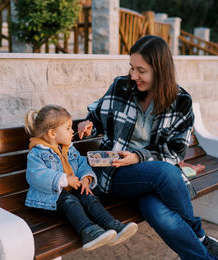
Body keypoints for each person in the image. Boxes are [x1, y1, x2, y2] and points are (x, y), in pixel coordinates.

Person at [78, 35, 218, 260]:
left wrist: (139, 156)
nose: (134, 75)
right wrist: (87, 125)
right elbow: (96, 117)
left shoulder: (181, 102)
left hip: (153, 178)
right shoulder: (122, 86)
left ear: (160, 70)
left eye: (141, 70)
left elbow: (176, 152)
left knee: (158, 212)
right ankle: (199, 234)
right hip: (115, 174)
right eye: (132, 68)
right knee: (165, 173)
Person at [24, 105, 138, 251]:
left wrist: (86, 178)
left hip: (71, 191)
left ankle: (112, 224)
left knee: (88, 196)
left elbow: (81, 162)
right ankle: (88, 231)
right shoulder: (37, 153)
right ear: (52, 133)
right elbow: (36, 176)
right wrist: (64, 179)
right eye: (68, 128)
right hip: (48, 199)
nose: (72, 131)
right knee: (69, 200)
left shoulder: (68, 148)